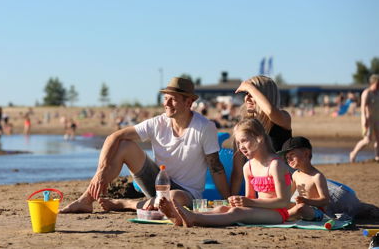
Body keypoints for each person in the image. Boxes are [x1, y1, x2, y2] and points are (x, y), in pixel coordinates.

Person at [60, 77, 230, 213]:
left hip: (185, 194)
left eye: (173, 99)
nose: (166, 104)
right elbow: (114, 136)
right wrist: (100, 171)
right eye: (165, 99)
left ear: (188, 103)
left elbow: (216, 167)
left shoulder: (204, 127)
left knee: (172, 197)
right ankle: (86, 200)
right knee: (124, 145)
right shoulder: (157, 123)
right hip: (158, 182)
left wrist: (229, 199)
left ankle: (126, 204)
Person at [159, 118, 292, 227]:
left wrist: (248, 203)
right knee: (223, 209)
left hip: (277, 213)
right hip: (259, 210)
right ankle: (183, 217)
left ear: (259, 138)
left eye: (244, 141)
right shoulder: (248, 167)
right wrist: (241, 201)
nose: (241, 148)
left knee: (237, 212)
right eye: (238, 143)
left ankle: (194, 218)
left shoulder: (276, 165)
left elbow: (283, 202)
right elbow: (249, 199)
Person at [230, 75, 292, 195]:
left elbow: (270, 111)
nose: (247, 98)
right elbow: (237, 173)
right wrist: (231, 198)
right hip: (264, 192)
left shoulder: (282, 118)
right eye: (246, 94)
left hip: (287, 188)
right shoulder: (243, 128)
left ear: (265, 96)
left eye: (252, 94)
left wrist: (249, 86)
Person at [279, 136, 330, 221]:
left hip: (316, 211)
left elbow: (325, 200)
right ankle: (284, 215)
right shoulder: (295, 174)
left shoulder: (316, 176)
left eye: (292, 155)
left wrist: (307, 201)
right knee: (282, 204)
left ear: (306, 154)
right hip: (300, 206)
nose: (289, 159)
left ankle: (281, 217)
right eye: (287, 157)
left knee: (301, 207)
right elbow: (288, 195)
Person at [350, 74, 379, 162]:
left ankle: (377, 156)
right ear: (373, 83)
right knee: (367, 140)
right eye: (377, 83)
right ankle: (353, 153)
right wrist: (364, 121)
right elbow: (362, 108)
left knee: (378, 139)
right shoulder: (366, 93)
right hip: (369, 120)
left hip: (377, 119)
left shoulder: (377, 93)